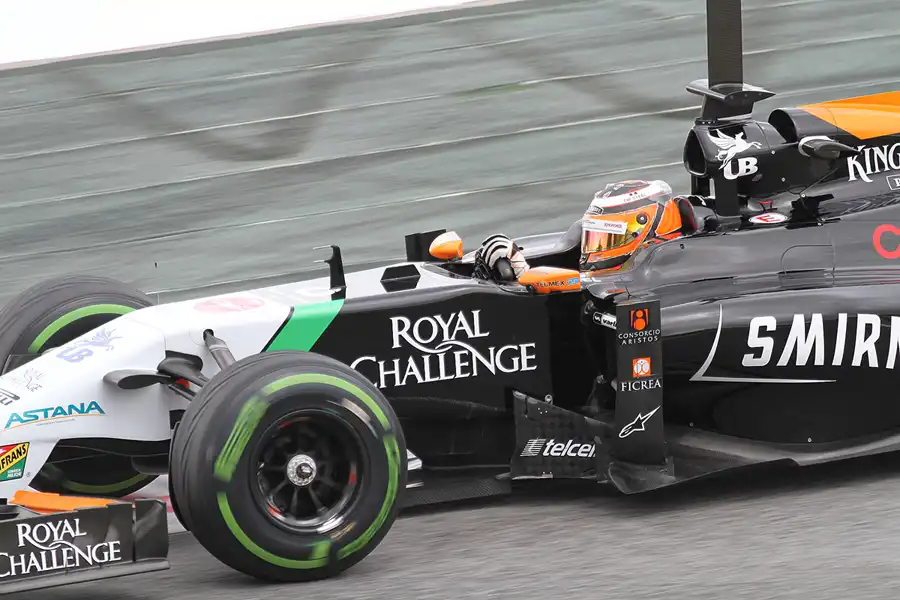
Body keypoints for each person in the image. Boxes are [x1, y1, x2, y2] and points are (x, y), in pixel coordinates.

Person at [473, 179, 686, 280]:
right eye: (596, 236)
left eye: (610, 237)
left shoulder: (662, 276)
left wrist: (523, 277)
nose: (596, 248)